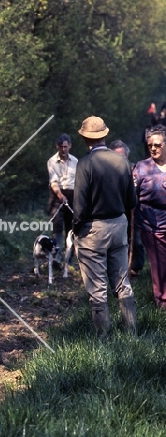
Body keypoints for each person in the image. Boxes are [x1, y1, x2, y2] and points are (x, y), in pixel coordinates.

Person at [73, 116, 137, 337]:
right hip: (119, 226)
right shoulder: (122, 162)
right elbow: (132, 202)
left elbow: (79, 206)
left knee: (97, 287)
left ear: (83, 138)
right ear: (105, 135)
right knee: (122, 282)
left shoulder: (84, 164)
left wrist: (76, 229)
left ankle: (103, 339)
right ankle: (131, 333)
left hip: (93, 230)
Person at [132, 124, 166, 309]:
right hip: (152, 226)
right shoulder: (142, 167)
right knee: (159, 265)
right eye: (150, 145)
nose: (153, 148)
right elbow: (131, 196)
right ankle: (162, 303)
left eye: (158, 145)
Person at [109, 139, 145, 277]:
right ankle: (117, 269)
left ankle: (135, 267)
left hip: (134, 210)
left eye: (122, 157)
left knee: (135, 239)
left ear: (127, 156)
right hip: (115, 211)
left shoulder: (135, 170)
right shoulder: (107, 172)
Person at [46, 133, 78, 262]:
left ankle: (69, 259)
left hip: (72, 194)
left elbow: (79, 181)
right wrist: (60, 196)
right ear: (57, 147)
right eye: (61, 147)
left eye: (65, 146)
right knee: (57, 226)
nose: (63, 149)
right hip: (56, 195)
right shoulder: (51, 161)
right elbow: (53, 182)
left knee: (71, 227)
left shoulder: (76, 161)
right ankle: (57, 257)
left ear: (70, 146)